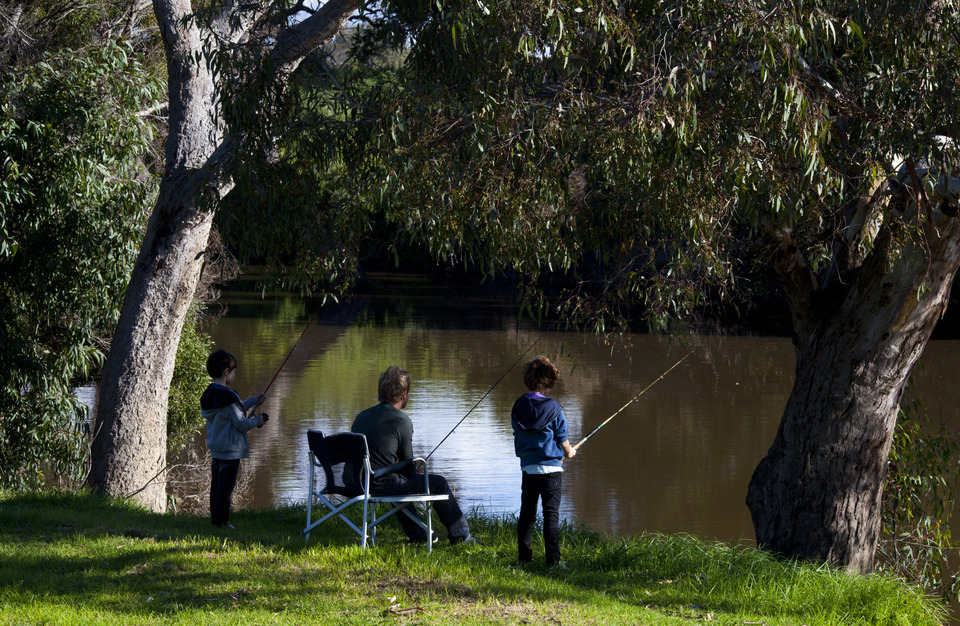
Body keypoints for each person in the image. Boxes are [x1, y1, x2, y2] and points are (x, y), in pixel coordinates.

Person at [351, 365, 479, 545]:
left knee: (398, 482)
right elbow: (407, 466)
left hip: (354, 482)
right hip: (380, 484)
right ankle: (461, 537)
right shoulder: (401, 420)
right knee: (437, 482)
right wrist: (412, 470)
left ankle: (419, 534)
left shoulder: (361, 417)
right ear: (404, 394)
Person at [511, 355, 576, 566]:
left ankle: (524, 558)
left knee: (527, 514)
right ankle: (553, 562)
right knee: (551, 516)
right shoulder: (554, 408)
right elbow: (563, 441)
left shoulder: (518, 406)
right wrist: (569, 452)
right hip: (552, 471)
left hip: (528, 469)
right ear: (548, 382)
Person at [200, 348, 268, 529]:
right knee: (225, 490)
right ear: (226, 372)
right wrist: (258, 420)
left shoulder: (210, 395)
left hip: (217, 449)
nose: (235, 374)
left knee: (216, 487)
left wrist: (254, 401)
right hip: (231, 452)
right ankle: (221, 523)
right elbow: (241, 424)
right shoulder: (229, 397)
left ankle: (215, 520)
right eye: (234, 371)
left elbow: (235, 410)